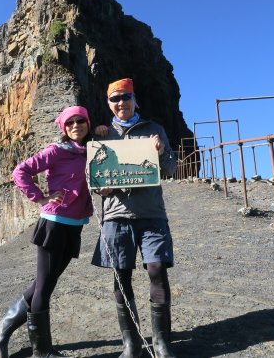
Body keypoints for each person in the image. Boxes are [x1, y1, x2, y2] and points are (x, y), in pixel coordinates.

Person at [0, 106, 93, 358]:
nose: (76, 126)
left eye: (81, 121)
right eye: (70, 123)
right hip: (54, 223)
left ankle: (4, 325)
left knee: (44, 282)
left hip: (75, 225)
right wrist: (41, 197)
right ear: (63, 128)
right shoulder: (57, 150)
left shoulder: (89, 151)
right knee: (45, 286)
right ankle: (42, 351)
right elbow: (21, 171)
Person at [92, 78, 177, 358]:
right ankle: (132, 343)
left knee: (156, 270)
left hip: (152, 214)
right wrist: (98, 187)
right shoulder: (101, 135)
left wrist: (162, 152)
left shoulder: (154, 130)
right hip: (115, 215)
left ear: (135, 99)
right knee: (121, 277)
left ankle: (162, 343)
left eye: (125, 97)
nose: (121, 103)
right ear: (109, 104)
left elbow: (171, 169)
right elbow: (94, 178)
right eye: (114, 99)